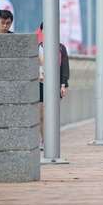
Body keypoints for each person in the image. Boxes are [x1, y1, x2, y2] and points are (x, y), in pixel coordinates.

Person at [38, 22, 70, 151]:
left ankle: (52, 140)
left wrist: (63, 85)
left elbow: (65, 66)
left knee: (52, 114)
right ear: (42, 31)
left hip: (55, 85)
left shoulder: (60, 48)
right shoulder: (37, 48)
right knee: (41, 115)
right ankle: (44, 140)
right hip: (39, 84)